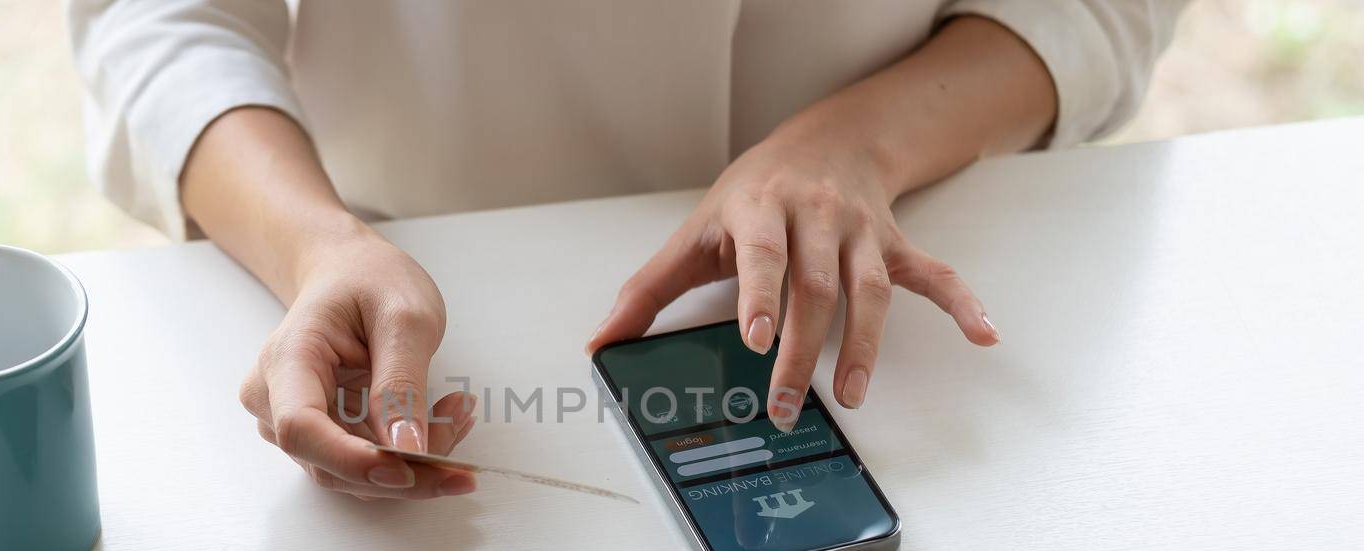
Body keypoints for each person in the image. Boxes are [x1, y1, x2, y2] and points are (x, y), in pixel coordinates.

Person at [70, 0, 1184, 500]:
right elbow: (160, 18)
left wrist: (857, 141)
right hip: (424, 281)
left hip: (890, 293)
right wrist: (316, 246)